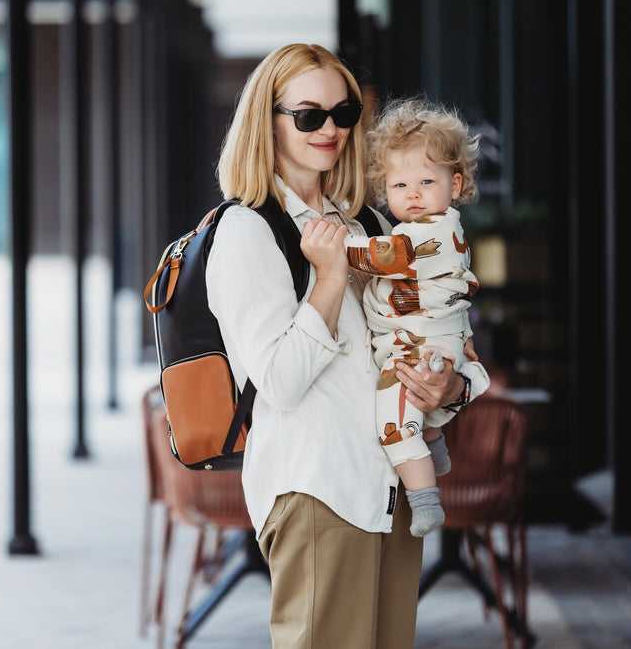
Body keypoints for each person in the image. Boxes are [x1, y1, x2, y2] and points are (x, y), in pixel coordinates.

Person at [206, 43, 489, 648]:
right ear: (269, 120)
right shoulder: (247, 231)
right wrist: (331, 279)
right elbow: (279, 382)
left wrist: (454, 388)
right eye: (309, 115)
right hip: (319, 493)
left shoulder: (373, 225)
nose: (330, 128)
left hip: (390, 494)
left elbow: (443, 333)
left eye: (344, 113)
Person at [344, 97, 485, 538]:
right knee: (417, 406)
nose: (414, 194)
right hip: (426, 337)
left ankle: (425, 502)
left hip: (421, 343)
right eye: (400, 186)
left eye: (427, 180)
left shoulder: (434, 232)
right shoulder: (417, 227)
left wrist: (339, 252)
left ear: (456, 184)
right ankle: (434, 442)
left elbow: (388, 258)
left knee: (393, 417)